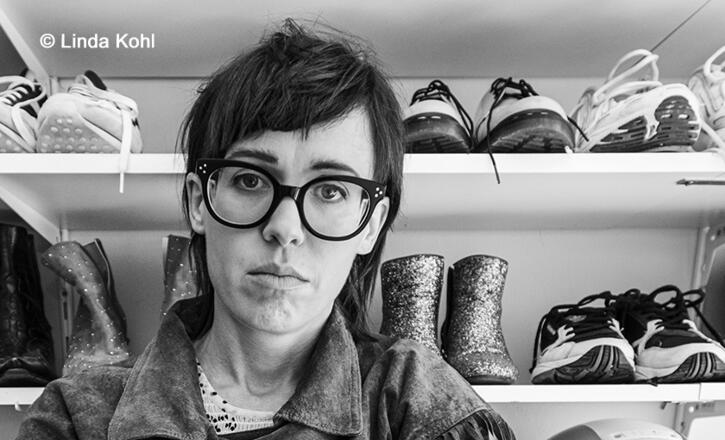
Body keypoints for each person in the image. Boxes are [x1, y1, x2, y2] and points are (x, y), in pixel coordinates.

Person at [16, 19, 516, 440]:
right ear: (200, 202)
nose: (284, 228)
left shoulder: (418, 402)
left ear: (371, 223)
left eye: (331, 190)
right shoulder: (79, 417)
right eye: (251, 180)